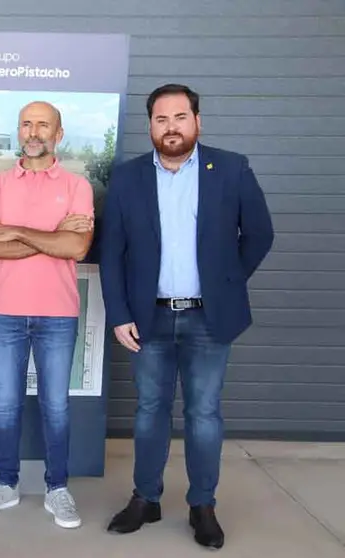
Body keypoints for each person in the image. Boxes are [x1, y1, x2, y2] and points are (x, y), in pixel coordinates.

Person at [100, 84, 274, 549]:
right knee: (149, 412)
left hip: (208, 320)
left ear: (198, 121)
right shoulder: (128, 177)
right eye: (161, 119)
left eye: (180, 117)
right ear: (150, 126)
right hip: (147, 319)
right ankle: (146, 499)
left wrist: (227, 281)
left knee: (203, 414)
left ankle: (203, 505)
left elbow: (259, 233)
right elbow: (111, 252)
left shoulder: (231, 169)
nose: (171, 127)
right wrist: (118, 313)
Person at [0, 101, 95, 529]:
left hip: (58, 313)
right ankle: (5, 483)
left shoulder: (77, 186)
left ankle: (58, 489)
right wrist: (54, 237)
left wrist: (18, 230)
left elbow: (78, 248)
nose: (34, 131)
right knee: (5, 406)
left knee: (55, 406)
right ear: (18, 131)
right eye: (26, 123)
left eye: (43, 124)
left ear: (59, 133)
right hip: (5, 312)